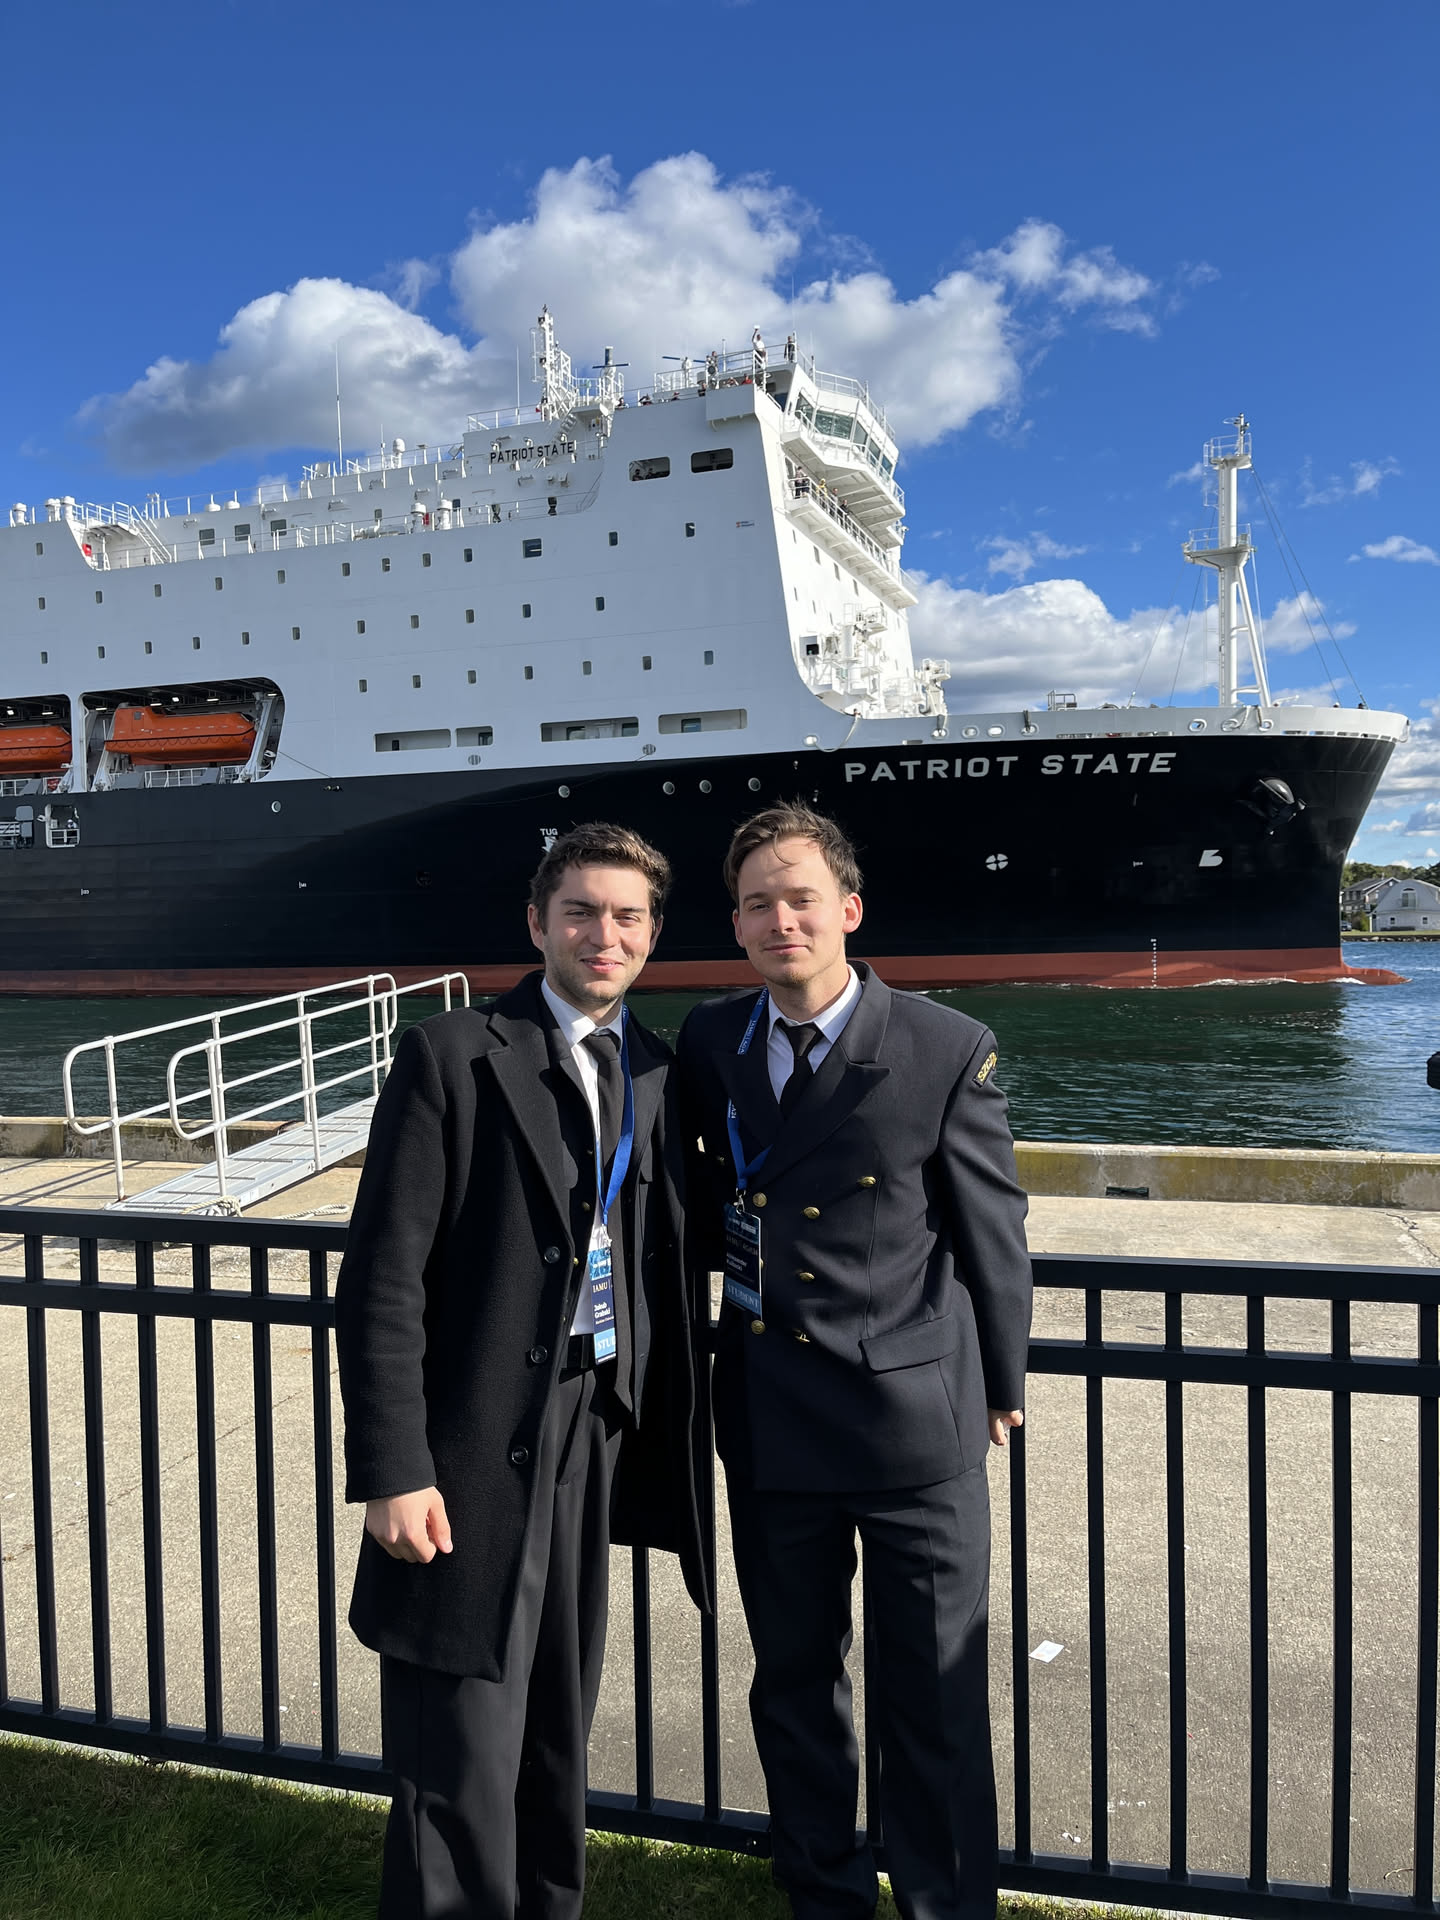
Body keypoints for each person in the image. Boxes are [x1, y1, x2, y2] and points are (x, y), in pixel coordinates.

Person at [337, 822, 708, 1920]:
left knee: (557, 1722)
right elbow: (383, 1278)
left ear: (653, 934)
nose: (605, 935)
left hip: (594, 1427)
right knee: (459, 1734)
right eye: (581, 912)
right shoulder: (452, 1053)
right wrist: (393, 1468)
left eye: (629, 916)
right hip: (470, 1437)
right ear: (537, 922)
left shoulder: (656, 1068)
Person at [677, 804, 1032, 1920]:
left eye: (801, 898)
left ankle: (944, 1905)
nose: (780, 920)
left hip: (912, 1419)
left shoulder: (942, 1044)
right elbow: (694, 1193)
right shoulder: (711, 1040)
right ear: (737, 925)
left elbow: (991, 1229)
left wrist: (1005, 1383)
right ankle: (823, 1894)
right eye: (757, 904)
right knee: (793, 1684)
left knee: (933, 1692)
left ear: (849, 910)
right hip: (771, 1410)